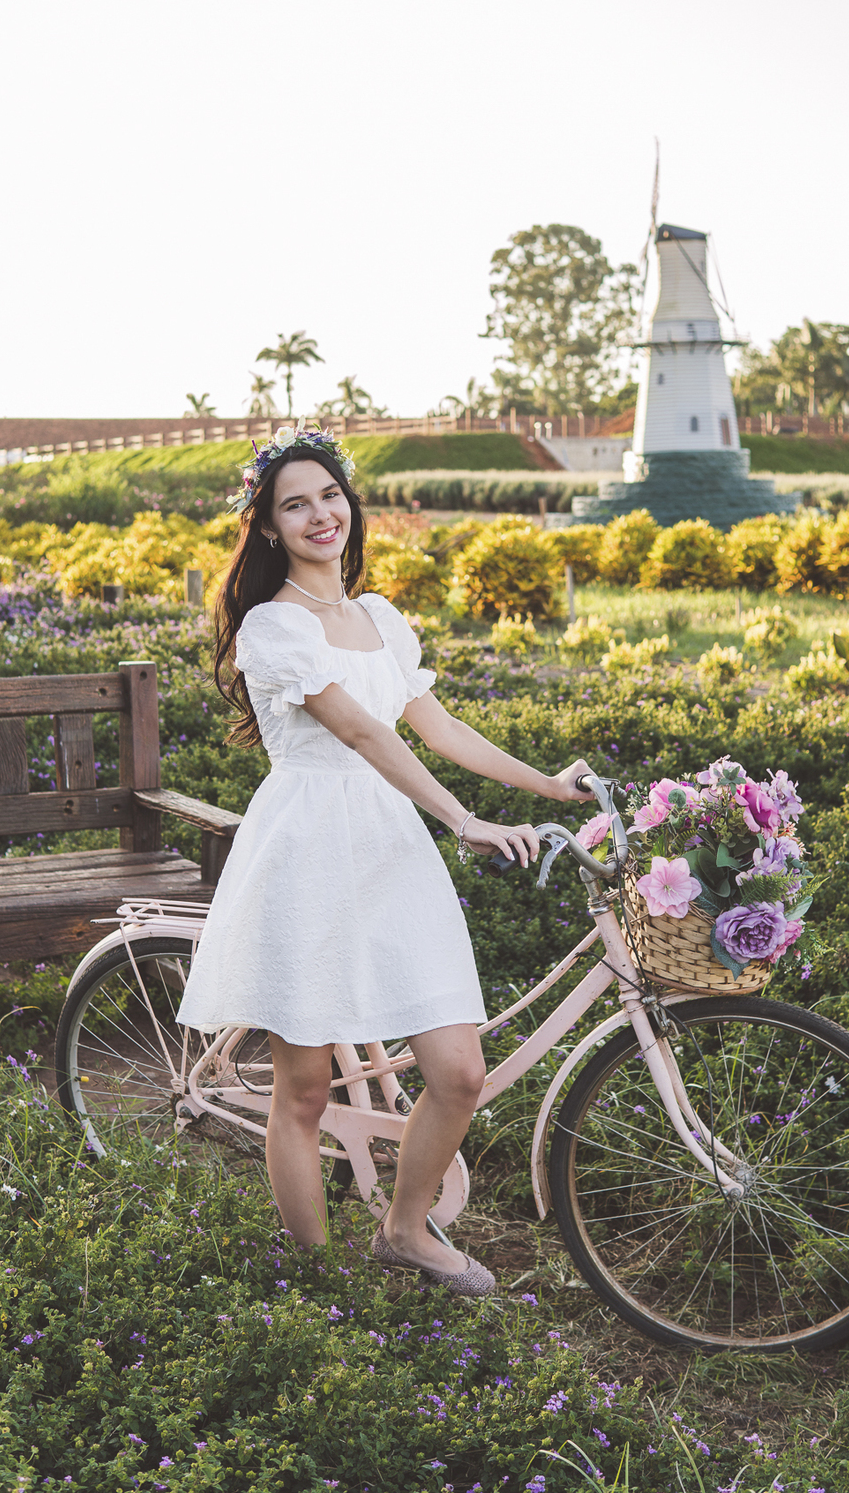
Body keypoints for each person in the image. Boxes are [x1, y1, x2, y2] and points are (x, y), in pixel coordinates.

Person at [175, 424, 592, 1294]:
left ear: (350, 503)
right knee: (303, 1090)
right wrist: (460, 818)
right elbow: (363, 733)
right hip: (307, 853)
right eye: (295, 505)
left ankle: (404, 1231)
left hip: (389, 849)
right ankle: (316, 1284)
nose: (319, 515)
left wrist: (548, 786)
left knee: (459, 1070)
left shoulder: (382, 619)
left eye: (329, 495)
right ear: (268, 526)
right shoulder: (272, 627)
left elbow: (436, 726)